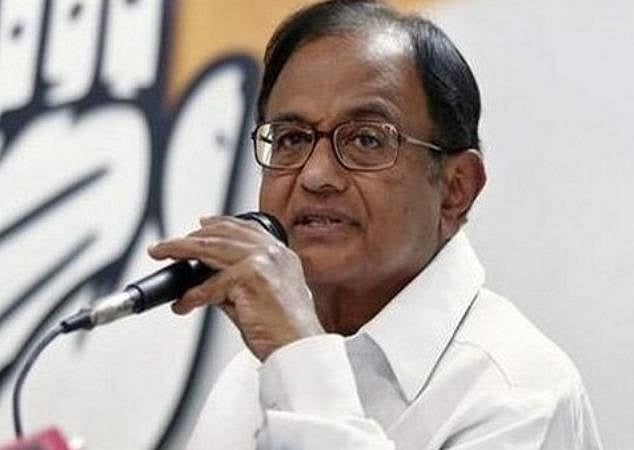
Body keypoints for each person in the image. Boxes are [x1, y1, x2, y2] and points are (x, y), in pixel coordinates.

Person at [149, 1, 604, 448]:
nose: (315, 175)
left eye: (366, 140)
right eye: (291, 139)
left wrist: (300, 362)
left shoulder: (519, 394)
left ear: (456, 189)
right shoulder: (251, 375)